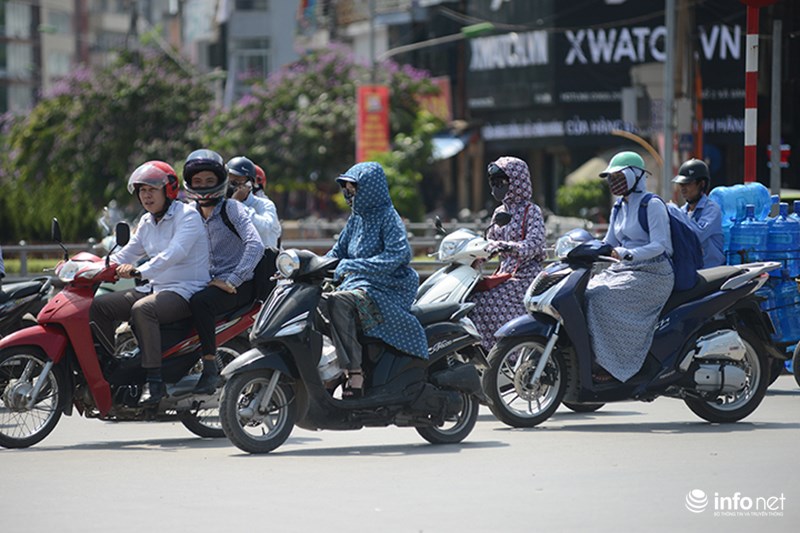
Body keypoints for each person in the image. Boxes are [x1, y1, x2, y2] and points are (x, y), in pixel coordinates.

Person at [89, 161, 210, 405]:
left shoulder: (188, 217)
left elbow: (174, 253)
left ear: (169, 190)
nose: (146, 195)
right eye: (142, 190)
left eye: (152, 189)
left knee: (143, 309)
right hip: (154, 287)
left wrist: (139, 271)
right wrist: (90, 268)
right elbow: (125, 255)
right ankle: (112, 369)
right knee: (99, 306)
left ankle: (154, 383)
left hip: (184, 291)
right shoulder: (146, 222)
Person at [321, 162, 428, 398]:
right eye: (346, 189)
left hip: (389, 287)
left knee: (339, 302)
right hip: (358, 284)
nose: (348, 194)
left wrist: (353, 265)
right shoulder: (356, 219)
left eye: (353, 189)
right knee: (318, 300)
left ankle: (354, 372)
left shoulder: (389, 217)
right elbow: (337, 253)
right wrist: (309, 267)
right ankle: (332, 366)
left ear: (369, 189)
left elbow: (398, 255)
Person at [587, 151, 674, 383]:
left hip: (654, 273)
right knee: (586, 292)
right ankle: (596, 356)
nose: (613, 181)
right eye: (610, 177)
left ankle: (617, 364)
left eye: (619, 175)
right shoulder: (619, 206)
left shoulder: (652, 204)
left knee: (600, 299)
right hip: (624, 270)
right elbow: (608, 243)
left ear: (636, 175)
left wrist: (628, 254)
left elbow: (660, 245)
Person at [185, 150, 264, 394]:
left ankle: (210, 368)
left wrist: (232, 280)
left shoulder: (232, 209)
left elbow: (256, 244)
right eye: (197, 181)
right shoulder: (188, 213)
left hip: (239, 285)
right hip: (207, 282)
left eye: (209, 180)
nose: (203, 186)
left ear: (220, 181)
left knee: (201, 303)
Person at [468, 156, 547, 352]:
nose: (496, 186)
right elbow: (489, 242)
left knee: (484, 300)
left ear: (517, 182)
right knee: (469, 297)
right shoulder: (499, 212)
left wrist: (507, 246)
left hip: (526, 276)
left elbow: (535, 244)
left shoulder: (532, 211)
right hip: (503, 273)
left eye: (501, 182)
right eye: (493, 182)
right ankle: (488, 350)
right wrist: (475, 254)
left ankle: (508, 352)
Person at [672, 158, 724, 268]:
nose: (683, 189)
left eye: (688, 183)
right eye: (681, 184)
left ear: (701, 184)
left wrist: (674, 212)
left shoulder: (711, 209)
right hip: (692, 271)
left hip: (712, 272)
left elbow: (697, 235)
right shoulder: (683, 212)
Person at [226, 156, 281, 249]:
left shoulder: (265, 205)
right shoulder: (224, 205)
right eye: (229, 182)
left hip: (264, 261)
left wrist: (237, 205)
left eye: (236, 182)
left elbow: (264, 228)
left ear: (249, 184)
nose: (231, 186)